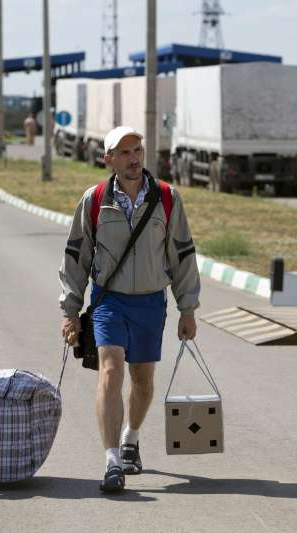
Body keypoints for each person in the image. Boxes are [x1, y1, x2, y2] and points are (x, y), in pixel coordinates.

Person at [59, 126, 200, 493]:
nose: (134, 158)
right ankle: (111, 462)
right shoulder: (94, 200)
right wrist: (71, 310)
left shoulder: (167, 198)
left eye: (137, 150)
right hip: (110, 300)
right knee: (110, 370)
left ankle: (131, 437)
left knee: (142, 381)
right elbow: (76, 258)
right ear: (109, 159)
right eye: (124, 152)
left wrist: (188, 308)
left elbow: (182, 255)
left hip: (152, 301)